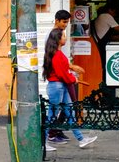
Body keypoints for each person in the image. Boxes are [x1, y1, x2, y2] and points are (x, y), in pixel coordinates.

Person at [42, 27, 98, 150]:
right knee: (52, 115)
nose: (65, 38)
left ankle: (81, 139)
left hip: (60, 86)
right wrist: (73, 79)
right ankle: (43, 144)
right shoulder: (57, 55)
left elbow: (63, 73)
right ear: (58, 39)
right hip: (57, 87)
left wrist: (71, 77)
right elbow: (62, 74)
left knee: (69, 113)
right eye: (63, 36)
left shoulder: (56, 54)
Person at [47, 9, 76, 144]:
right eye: (64, 22)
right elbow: (54, 59)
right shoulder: (53, 35)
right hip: (58, 79)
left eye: (67, 22)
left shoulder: (60, 34)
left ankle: (56, 132)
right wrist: (69, 75)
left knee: (67, 107)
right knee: (59, 109)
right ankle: (51, 134)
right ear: (57, 20)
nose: (65, 25)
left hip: (61, 78)